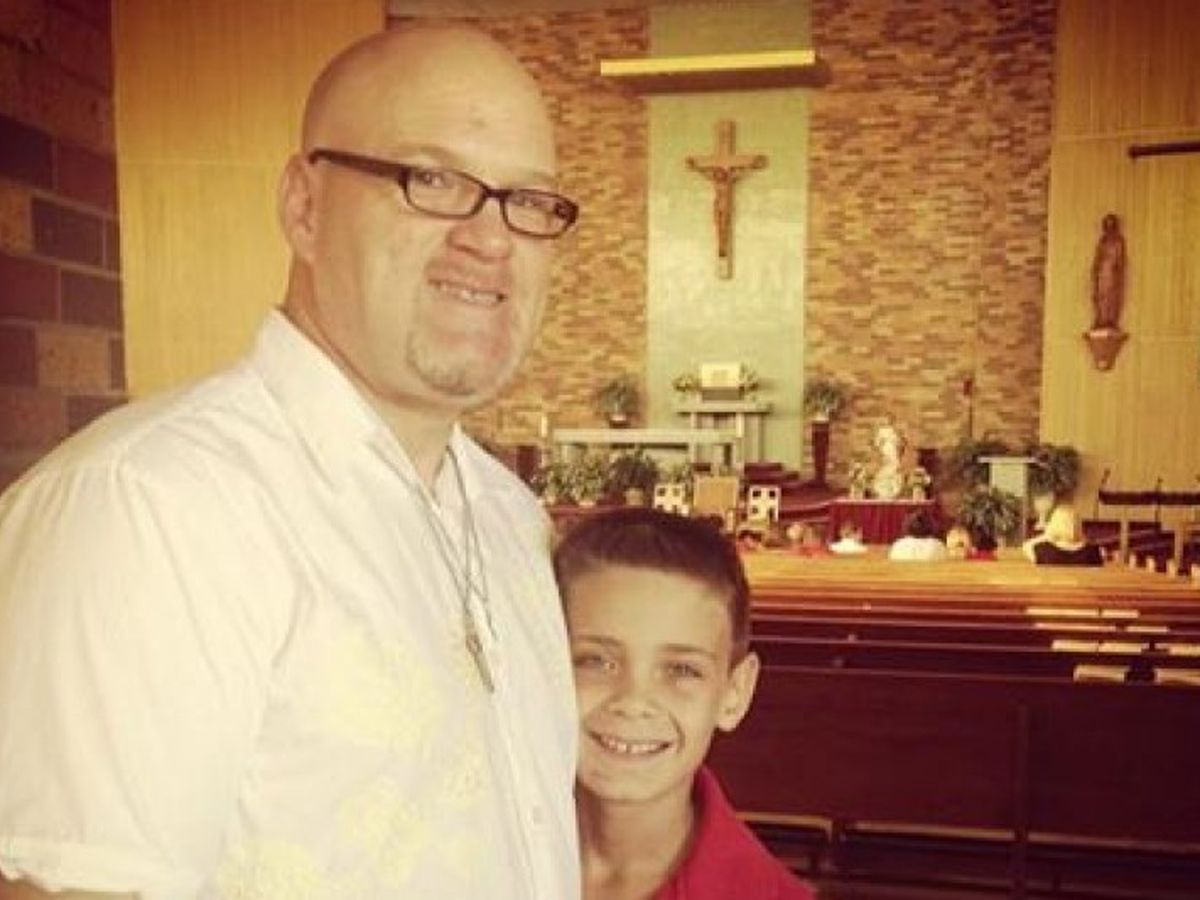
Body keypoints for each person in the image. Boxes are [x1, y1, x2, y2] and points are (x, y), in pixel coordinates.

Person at [0, 23, 581, 900]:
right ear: (304, 207)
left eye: (528, 201)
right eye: (432, 181)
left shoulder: (508, 516)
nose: (491, 239)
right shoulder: (152, 512)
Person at [553, 508, 815, 900]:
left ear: (735, 693)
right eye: (596, 661)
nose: (633, 702)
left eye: (681, 670)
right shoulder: (477, 846)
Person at [1022, 505, 1103, 566]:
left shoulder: (1041, 550)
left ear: (1053, 524)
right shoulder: (1094, 551)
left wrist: (1048, 535)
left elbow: (1026, 545)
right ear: (1078, 525)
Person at [1091, 213, 1126, 330]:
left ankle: (1110, 319)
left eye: (1111, 225)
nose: (1109, 229)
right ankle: (1101, 318)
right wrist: (1096, 269)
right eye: (1107, 225)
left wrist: (1116, 268)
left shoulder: (1118, 241)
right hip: (1102, 272)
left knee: (1111, 296)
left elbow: (1120, 259)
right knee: (1101, 296)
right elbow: (1098, 257)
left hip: (1112, 272)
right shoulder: (1103, 241)